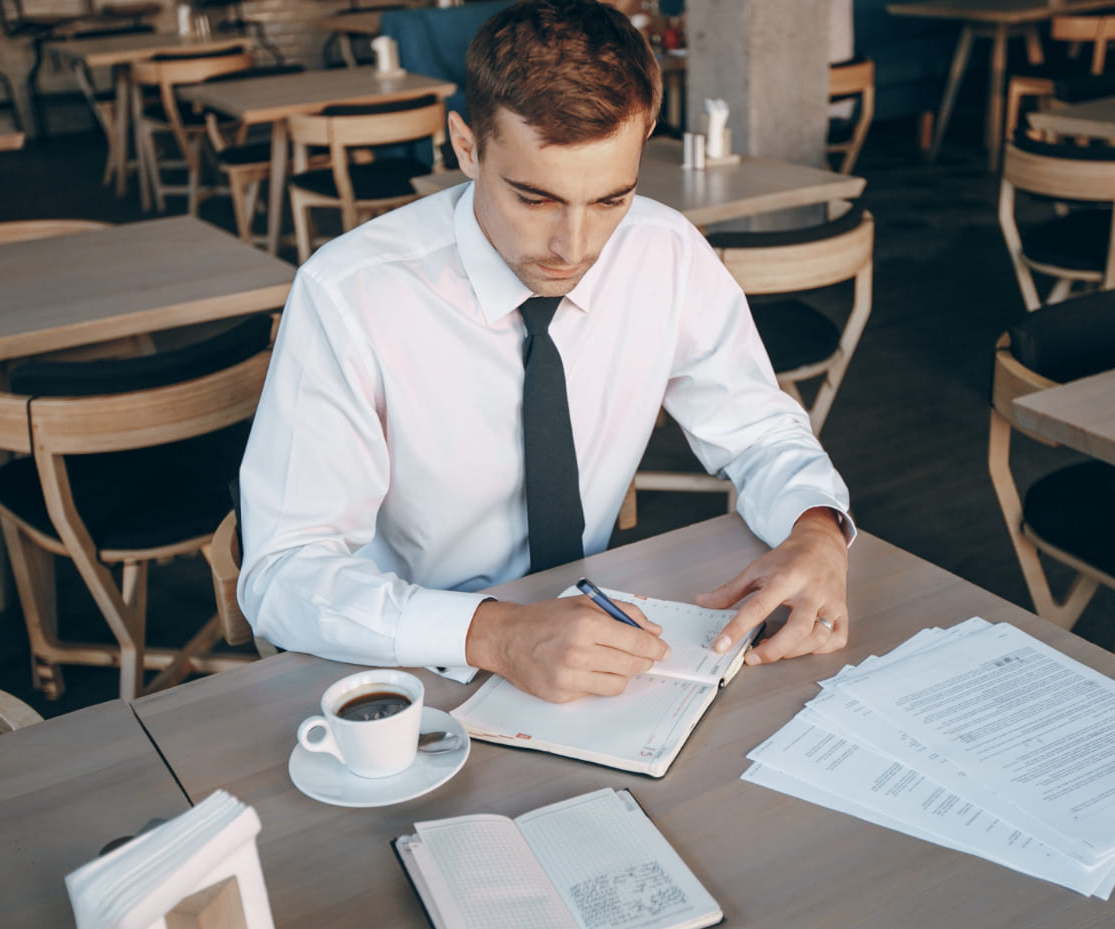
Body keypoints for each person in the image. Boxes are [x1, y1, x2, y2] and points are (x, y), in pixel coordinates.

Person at [238, 0, 854, 703]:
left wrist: (816, 527)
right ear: (466, 147)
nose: (574, 248)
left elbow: (761, 429)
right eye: (535, 199)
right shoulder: (349, 294)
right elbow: (283, 573)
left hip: (595, 634)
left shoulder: (665, 251)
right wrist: (495, 634)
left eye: (611, 200)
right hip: (412, 662)